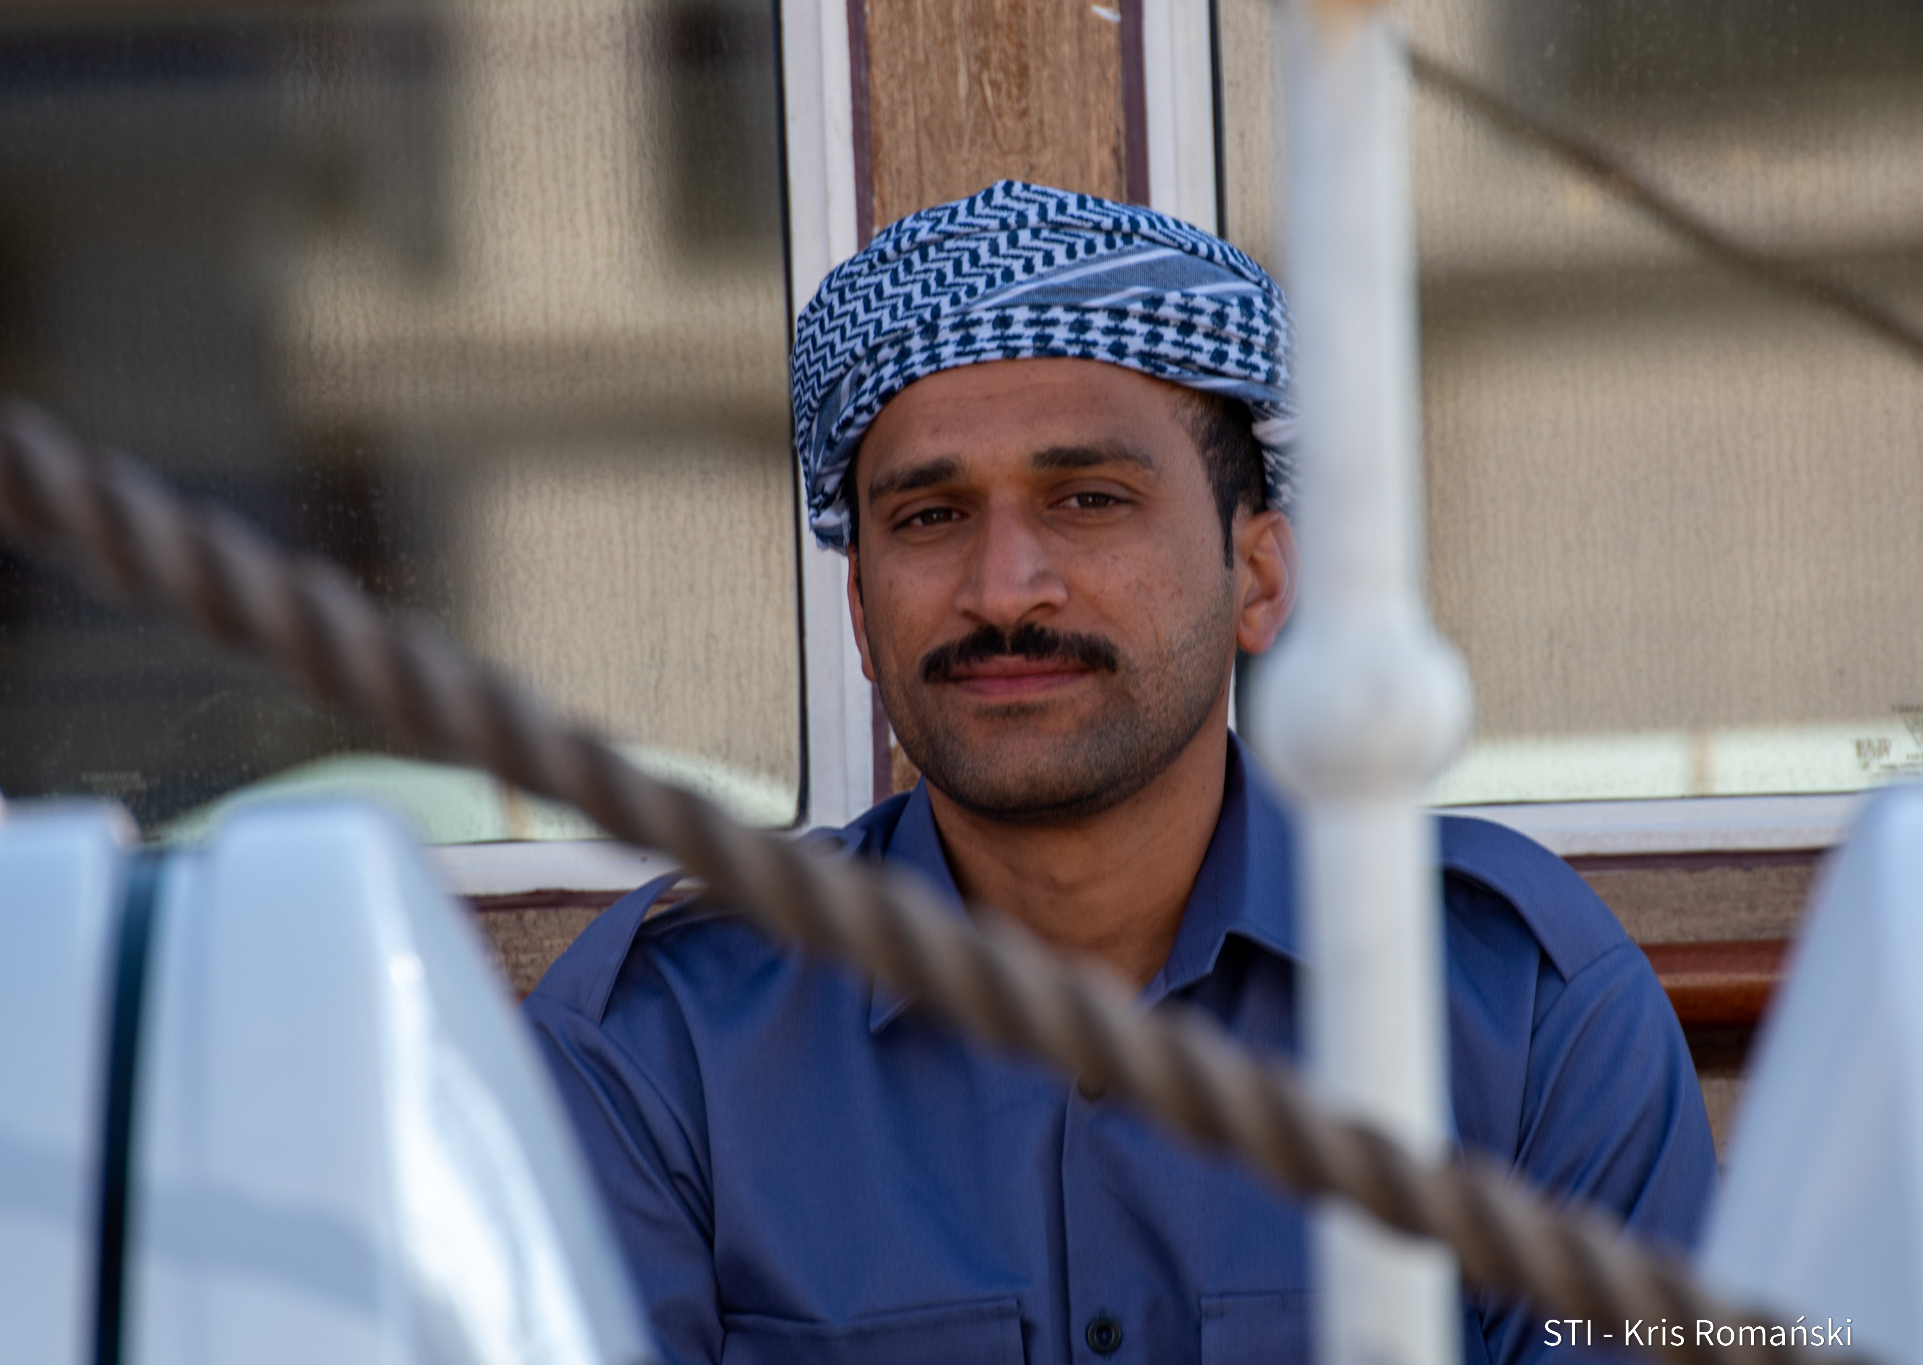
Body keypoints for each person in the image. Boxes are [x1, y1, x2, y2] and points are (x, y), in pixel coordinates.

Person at [523, 180, 1715, 1365]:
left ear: (1257, 578)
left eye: (1088, 500)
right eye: (930, 517)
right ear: (859, 609)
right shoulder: (661, 1049)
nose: (1003, 589)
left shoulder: (1518, 1009)